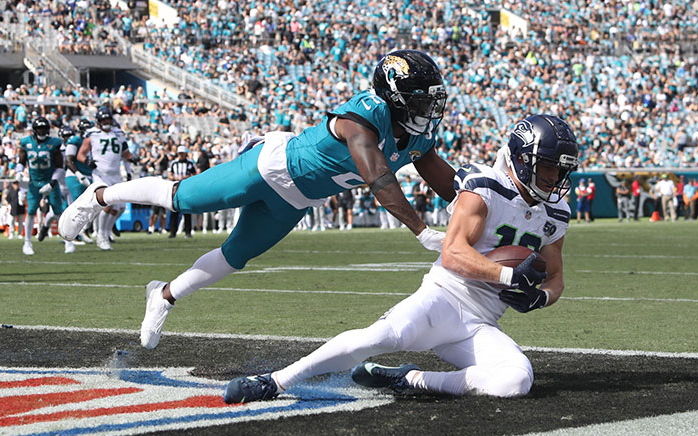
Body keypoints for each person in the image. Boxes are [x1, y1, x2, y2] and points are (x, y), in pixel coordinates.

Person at [59, 49, 457, 349]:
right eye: (420, 101)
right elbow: (378, 175)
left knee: (235, 256)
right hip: (271, 168)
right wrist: (420, 230)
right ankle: (99, 196)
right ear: (394, 96)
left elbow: (443, 179)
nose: (426, 110)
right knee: (184, 199)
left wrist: (477, 202)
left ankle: (163, 295)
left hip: (297, 200)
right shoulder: (365, 113)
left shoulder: (418, 137)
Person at [222, 114, 578, 403]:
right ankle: (276, 381)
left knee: (514, 380)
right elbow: (453, 254)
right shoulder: (485, 187)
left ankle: (412, 379)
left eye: (561, 170)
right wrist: (507, 278)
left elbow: (556, 274)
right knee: (375, 338)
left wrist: (543, 295)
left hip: (482, 321)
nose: (554, 178)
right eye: (547, 167)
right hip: (442, 298)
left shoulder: (556, 211)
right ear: (519, 158)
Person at [78, 107, 132, 250]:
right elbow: (81, 154)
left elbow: (126, 154)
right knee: (106, 205)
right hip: (100, 174)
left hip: (116, 174)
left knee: (119, 207)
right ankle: (100, 235)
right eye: (103, 120)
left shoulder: (119, 133)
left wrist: (129, 169)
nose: (106, 122)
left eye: (108, 119)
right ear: (98, 121)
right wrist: (87, 161)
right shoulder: (92, 134)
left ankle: (106, 232)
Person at [18, 116, 73, 255]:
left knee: (58, 211)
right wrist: (18, 172)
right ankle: (27, 243)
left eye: (44, 129)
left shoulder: (54, 143)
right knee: (31, 211)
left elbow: (60, 167)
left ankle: (68, 241)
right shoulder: (26, 142)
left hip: (50, 181)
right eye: (39, 129)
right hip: (34, 182)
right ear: (34, 130)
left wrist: (52, 183)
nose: (42, 131)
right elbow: (21, 161)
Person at [167, 145, 196, 238]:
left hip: (186, 188)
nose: (181, 155)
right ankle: (172, 232)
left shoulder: (190, 163)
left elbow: (194, 175)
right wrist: (174, 178)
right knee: (174, 210)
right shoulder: (174, 163)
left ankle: (188, 232)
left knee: (187, 210)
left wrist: (185, 178)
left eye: (182, 153)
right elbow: (169, 174)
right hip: (175, 189)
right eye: (179, 153)